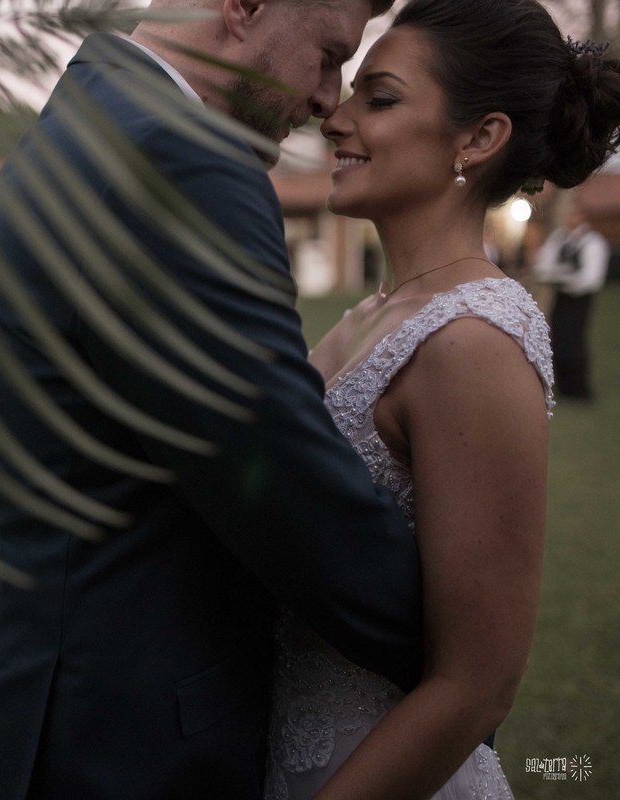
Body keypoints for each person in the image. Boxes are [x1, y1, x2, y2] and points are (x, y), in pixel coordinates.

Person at [0, 2, 428, 798]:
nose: (327, 97)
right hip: (122, 741)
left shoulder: (92, 118)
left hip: (36, 696)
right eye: (328, 54)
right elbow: (283, 484)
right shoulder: (181, 160)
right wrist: (464, 661)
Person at [265, 1, 620, 797]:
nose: (335, 118)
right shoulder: (368, 315)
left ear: (478, 138)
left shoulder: (475, 341)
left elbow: (479, 683)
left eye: (380, 98)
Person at [534, 198, 611, 399]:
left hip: (579, 299)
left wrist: (560, 276)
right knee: (558, 337)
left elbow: (590, 278)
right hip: (561, 295)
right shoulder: (560, 239)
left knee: (574, 339)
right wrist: (560, 275)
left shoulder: (593, 242)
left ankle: (578, 388)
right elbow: (542, 264)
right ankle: (562, 386)